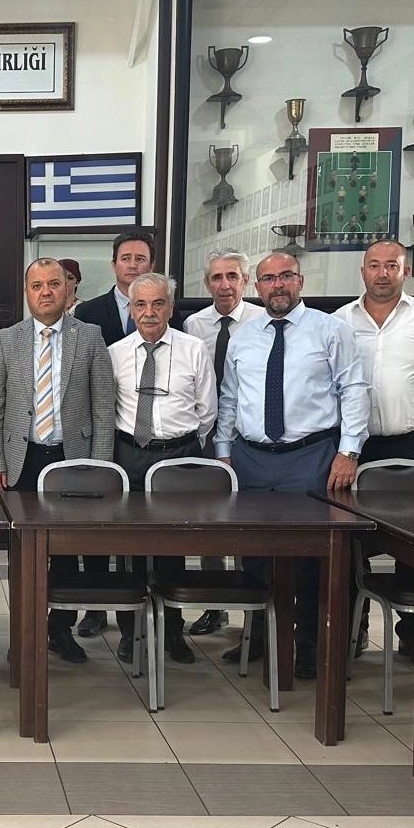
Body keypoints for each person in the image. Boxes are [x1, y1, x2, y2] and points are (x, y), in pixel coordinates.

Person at [213, 251, 369, 679]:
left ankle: (310, 646)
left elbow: (354, 389)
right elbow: (230, 397)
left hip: (311, 457)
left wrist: (349, 451)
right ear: (257, 286)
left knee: (311, 559)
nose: (277, 285)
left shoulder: (330, 329)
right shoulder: (243, 336)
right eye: (268, 279)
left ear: (300, 281)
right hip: (250, 458)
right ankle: (260, 637)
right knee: (254, 555)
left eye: (285, 276)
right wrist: (223, 451)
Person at [0, 258, 115, 664]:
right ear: (27, 292)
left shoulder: (89, 336)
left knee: (68, 552)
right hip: (22, 460)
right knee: (23, 554)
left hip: (72, 460)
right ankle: (24, 634)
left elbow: (103, 406)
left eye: (54, 284)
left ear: (68, 288)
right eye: (37, 285)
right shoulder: (7, 339)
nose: (46, 292)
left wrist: (100, 466)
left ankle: (60, 631)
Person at [334, 239, 414, 658]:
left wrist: (411, 413)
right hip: (356, 447)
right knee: (351, 543)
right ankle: (352, 630)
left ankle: (413, 634)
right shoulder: (339, 321)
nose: (383, 273)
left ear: (406, 271)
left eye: (392, 265)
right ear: (363, 272)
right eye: (374, 265)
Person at [72, 231, 179, 635]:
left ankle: (158, 617)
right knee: (103, 530)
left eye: (141, 258)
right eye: (126, 257)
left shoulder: (170, 311)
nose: (133, 264)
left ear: (152, 264)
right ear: (114, 263)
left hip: (164, 443)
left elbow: (204, 408)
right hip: (112, 438)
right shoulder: (88, 312)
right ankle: (98, 607)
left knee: (162, 538)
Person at [110, 273, 216, 664]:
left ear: (171, 307)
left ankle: (172, 633)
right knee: (129, 550)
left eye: (158, 304)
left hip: (179, 458)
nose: (149, 312)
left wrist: (179, 445)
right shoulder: (115, 353)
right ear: (131, 309)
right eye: (140, 304)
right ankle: (130, 632)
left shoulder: (194, 349)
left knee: (173, 549)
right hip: (131, 456)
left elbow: (207, 411)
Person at [180, 248, 264, 637]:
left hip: (249, 436)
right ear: (207, 283)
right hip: (205, 434)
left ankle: (255, 615)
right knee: (208, 523)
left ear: (245, 281)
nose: (225, 284)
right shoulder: (194, 324)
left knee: (247, 525)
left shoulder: (263, 320)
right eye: (217, 277)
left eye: (233, 276)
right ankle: (215, 607)